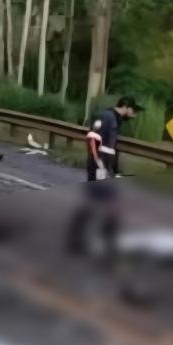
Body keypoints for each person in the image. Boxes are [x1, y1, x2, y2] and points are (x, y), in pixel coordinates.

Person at [67, 96, 142, 258]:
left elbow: (110, 148)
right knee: (97, 204)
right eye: (134, 110)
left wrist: (113, 169)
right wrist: (98, 165)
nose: (135, 114)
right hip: (99, 167)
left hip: (106, 168)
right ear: (126, 106)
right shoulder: (107, 117)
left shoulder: (116, 120)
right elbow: (92, 140)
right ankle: (78, 240)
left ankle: (105, 241)